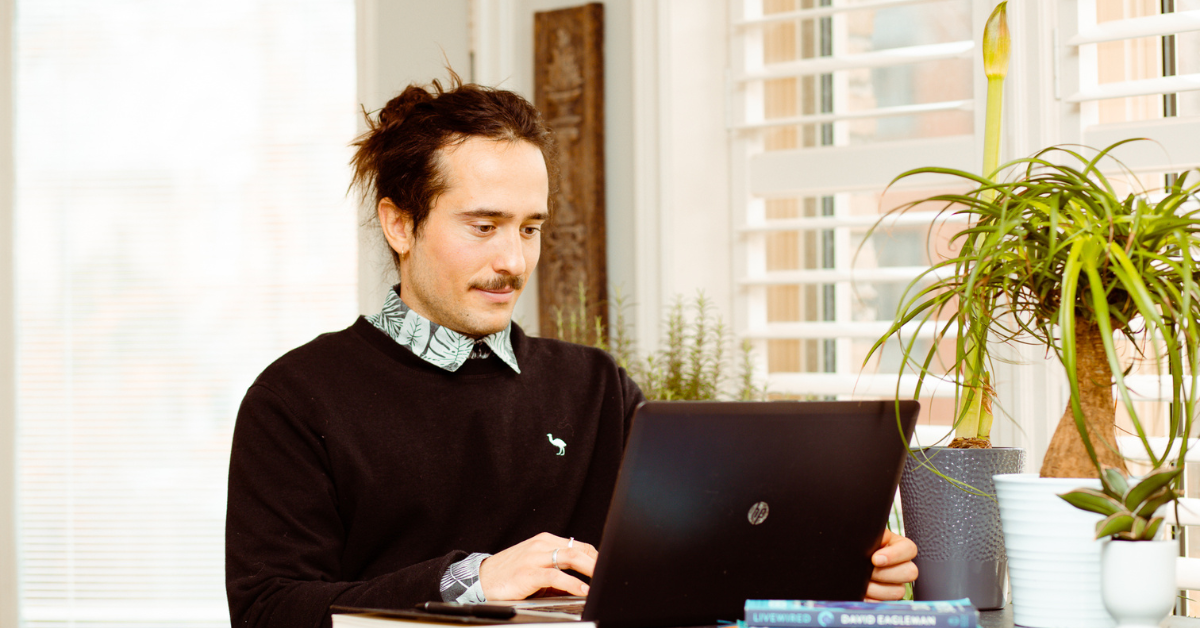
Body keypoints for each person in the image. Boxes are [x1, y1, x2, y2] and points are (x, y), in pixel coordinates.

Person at [224, 72, 918, 628]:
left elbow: (695, 569)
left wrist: (843, 578)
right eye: (484, 226)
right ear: (399, 224)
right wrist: (469, 582)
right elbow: (266, 610)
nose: (512, 260)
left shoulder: (597, 387)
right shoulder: (295, 400)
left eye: (529, 229)